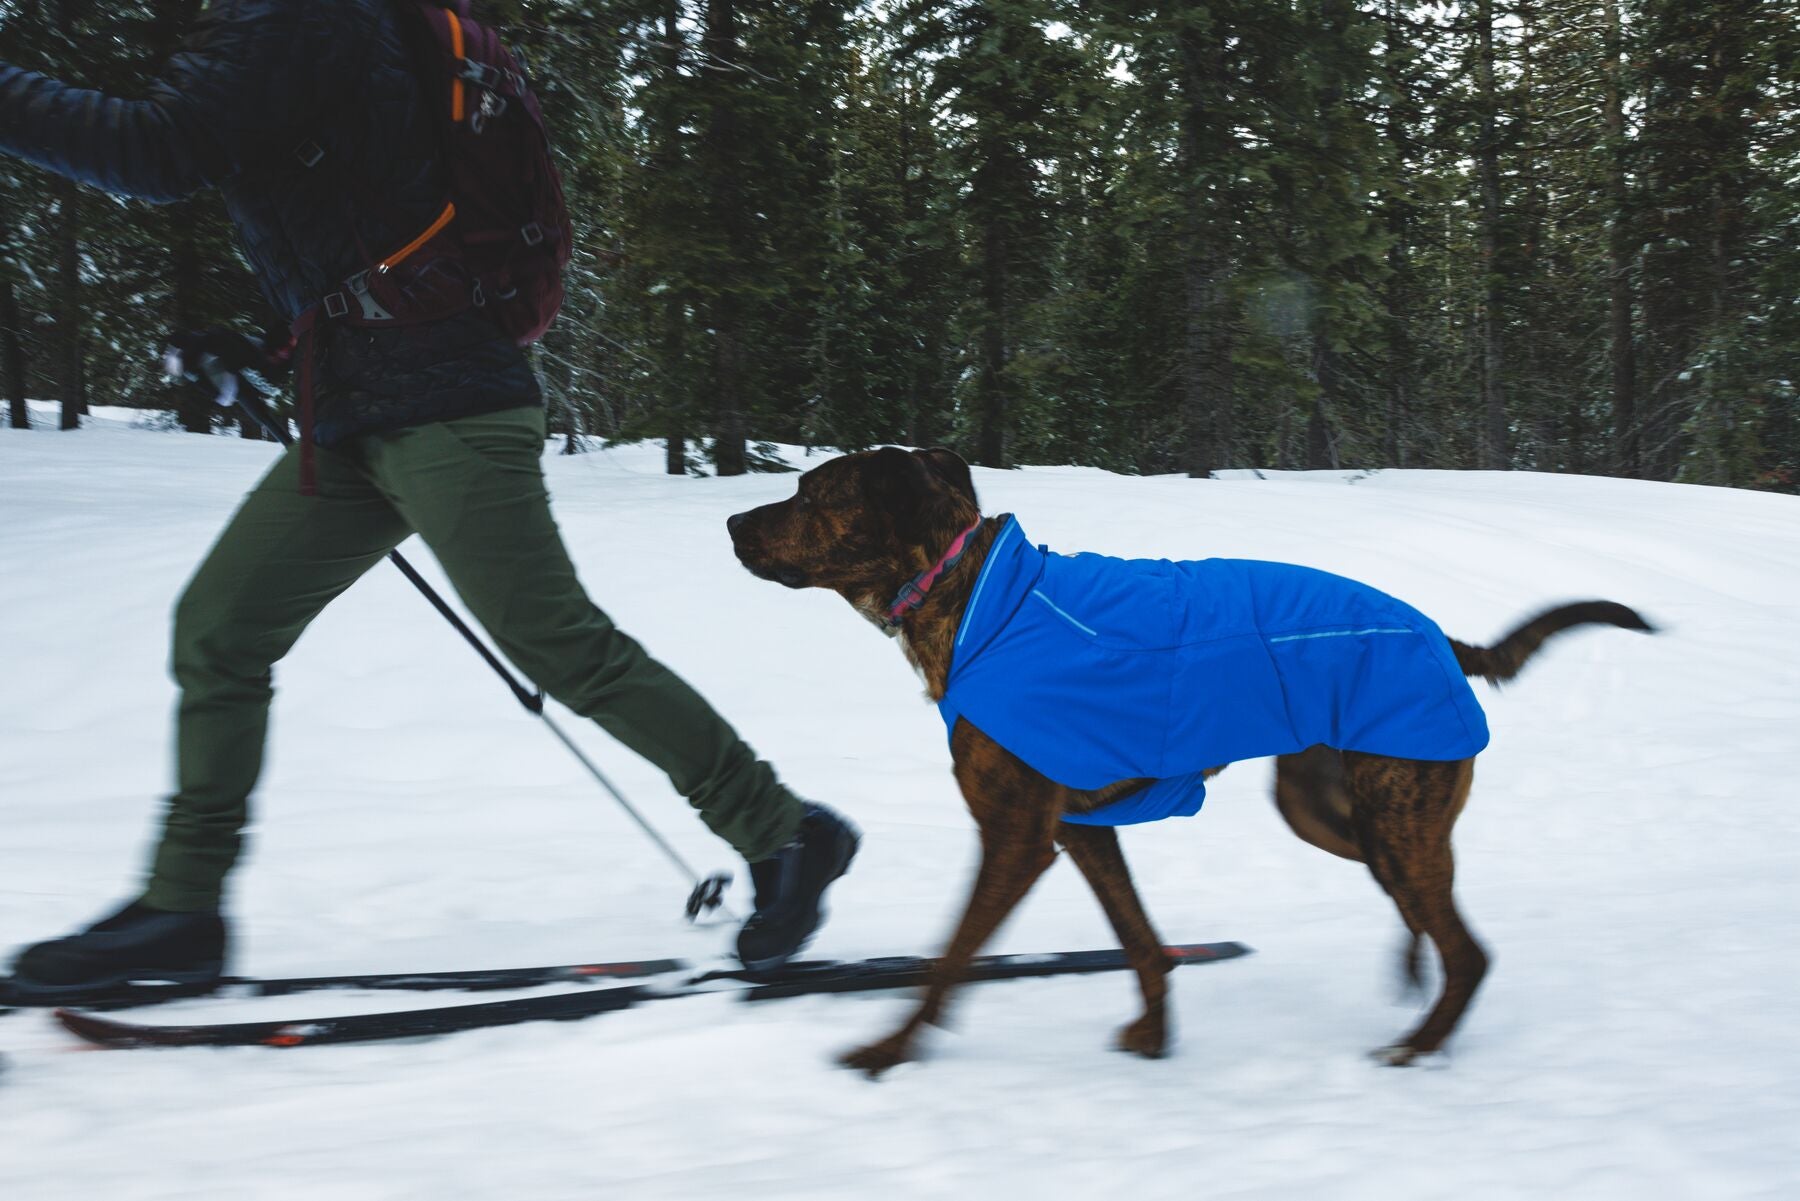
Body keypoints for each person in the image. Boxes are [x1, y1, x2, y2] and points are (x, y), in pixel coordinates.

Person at [0, 0, 857, 1000]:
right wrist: (271, 340)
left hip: (448, 403)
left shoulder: (298, 13)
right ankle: (182, 907)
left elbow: (161, 149)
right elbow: (358, 203)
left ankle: (783, 831)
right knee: (222, 627)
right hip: (361, 406)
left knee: (557, 642)